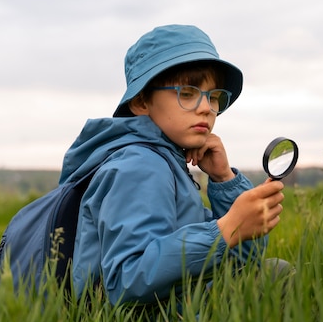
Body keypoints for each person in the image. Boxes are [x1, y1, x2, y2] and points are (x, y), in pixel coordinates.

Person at [59, 24, 286, 305]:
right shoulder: (139, 166)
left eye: (213, 97)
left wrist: (224, 179)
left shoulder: (165, 161)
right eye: (188, 93)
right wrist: (226, 229)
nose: (206, 108)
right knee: (279, 276)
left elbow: (242, 261)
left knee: (272, 272)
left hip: (176, 310)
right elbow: (125, 279)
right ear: (142, 101)